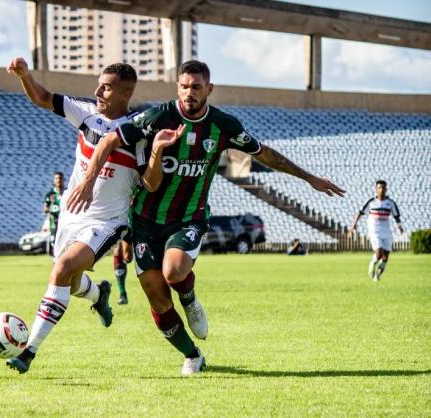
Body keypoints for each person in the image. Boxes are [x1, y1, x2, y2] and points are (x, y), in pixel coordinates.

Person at [67, 60, 345, 376]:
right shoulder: (158, 117)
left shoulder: (223, 125)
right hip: (144, 220)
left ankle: (189, 298)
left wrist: (308, 177)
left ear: (208, 89)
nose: (189, 93)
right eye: (184, 86)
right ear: (177, 88)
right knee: (157, 300)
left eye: (196, 87)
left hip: (188, 218)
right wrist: (88, 180)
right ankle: (193, 355)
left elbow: (263, 152)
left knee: (173, 271)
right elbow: (110, 139)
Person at [5, 57, 141, 374]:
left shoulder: (138, 131)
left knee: (63, 269)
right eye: (99, 84)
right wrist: (25, 76)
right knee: (71, 279)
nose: (98, 91)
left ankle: (28, 353)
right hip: (71, 215)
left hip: (107, 221)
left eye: (106, 87)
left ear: (126, 92)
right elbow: (42, 97)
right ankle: (99, 293)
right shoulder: (86, 114)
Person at [347, 180, 404, 281]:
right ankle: (372, 264)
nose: (381, 190)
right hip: (374, 230)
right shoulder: (371, 202)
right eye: (379, 188)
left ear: (386, 189)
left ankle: (378, 276)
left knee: (386, 256)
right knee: (379, 252)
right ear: (376, 189)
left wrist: (399, 227)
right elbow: (360, 213)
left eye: (383, 188)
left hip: (386, 231)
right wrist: (353, 226)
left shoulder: (390, 203)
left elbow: (396, 216)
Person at [44, 171, 65, 255]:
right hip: (54, 224)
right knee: (54, 244)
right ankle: (56, 263)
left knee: (64, 245)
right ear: (54, 180)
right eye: (56, 178)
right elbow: (45, 209)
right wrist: (53, 206)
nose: (58, 180)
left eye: (60, 178)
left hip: (65, 223)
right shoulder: (50, 194)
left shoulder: (67, 193)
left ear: (63, 180)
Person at [113, 229, 133, 305]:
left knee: (128, 257)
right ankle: (122, 293)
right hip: (118, 219)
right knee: (118, 248)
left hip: (134, 219)